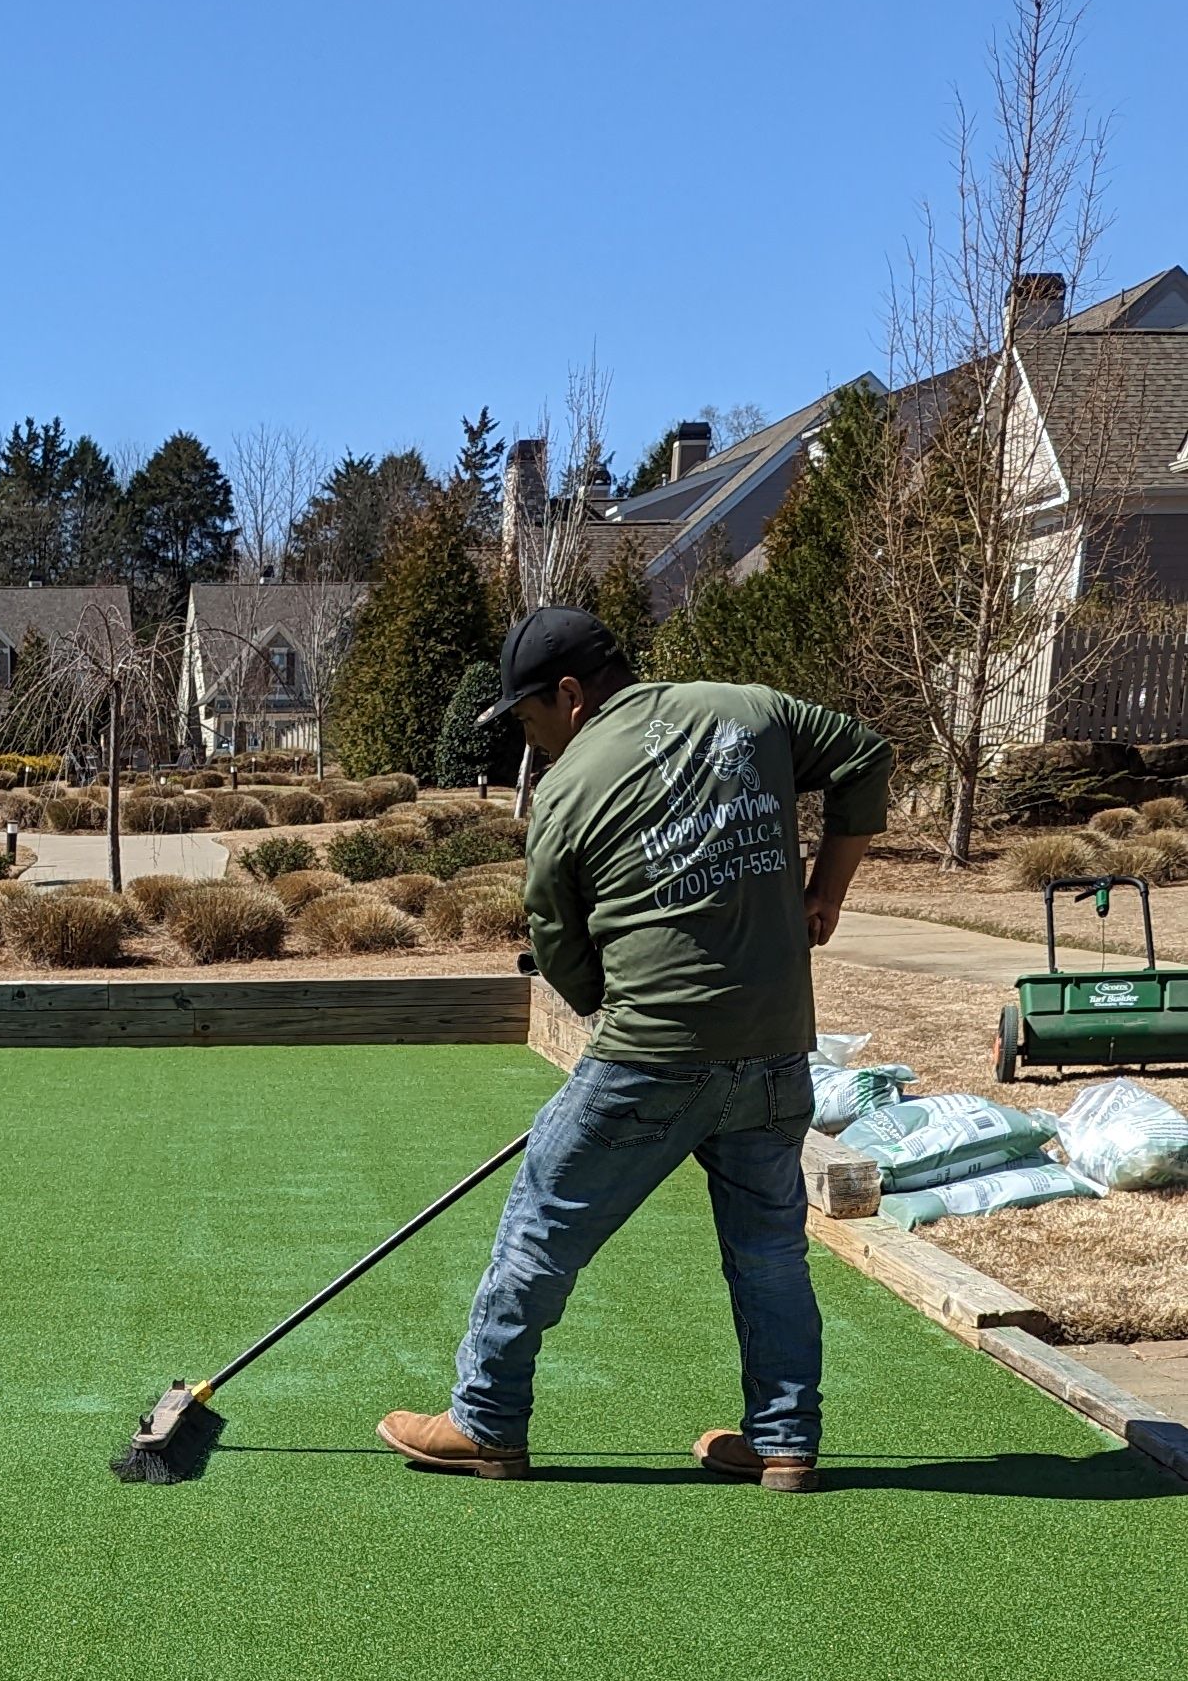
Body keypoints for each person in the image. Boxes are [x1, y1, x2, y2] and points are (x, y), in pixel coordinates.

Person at [377, 606, 892, 1492]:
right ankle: (783, 1443)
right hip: (774, 1051)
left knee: (541, 1225)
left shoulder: (568, 791)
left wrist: (605, 1014)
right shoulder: (751, 710)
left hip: (650, 1052)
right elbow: (864, 755)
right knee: (769, 1248)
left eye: (529, 720)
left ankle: (487, 1422)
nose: (529, 744)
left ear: (570, 695)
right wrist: (825, 894)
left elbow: (557, 935)